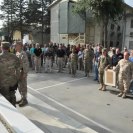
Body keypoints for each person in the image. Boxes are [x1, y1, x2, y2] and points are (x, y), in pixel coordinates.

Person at [0, 42, 20, 107]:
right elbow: (18, 69)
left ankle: (9, 115)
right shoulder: (15, 57)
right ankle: (14, 107)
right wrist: (16, 79)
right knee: (12, 95)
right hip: (12, 81)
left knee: (5, 98)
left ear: (1, 47)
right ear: (9, 48)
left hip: (2, 82)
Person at [15, 41, 29, 107]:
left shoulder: (23, 53)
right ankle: (22, 98)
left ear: (20, 46)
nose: (15, 46)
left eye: (16, 45)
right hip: (18, 73)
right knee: (20, 87)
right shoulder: (17, 53)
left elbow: (25, 64)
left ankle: (25, 100)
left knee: (23, 86)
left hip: (22, 73)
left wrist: (24, 73)